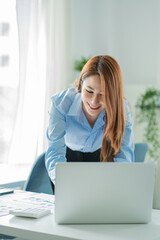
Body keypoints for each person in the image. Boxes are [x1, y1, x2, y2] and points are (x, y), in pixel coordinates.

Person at [45, 55, 134, 186]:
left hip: (101, 156)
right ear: (81, 84)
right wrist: (62, 183)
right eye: (89, 91)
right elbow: (54, 150)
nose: (94, 101)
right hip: (66, 159)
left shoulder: (121, 108)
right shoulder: (60, 104)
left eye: (103, 94)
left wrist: (118, 186)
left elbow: (124, 155)